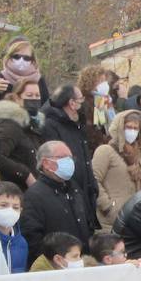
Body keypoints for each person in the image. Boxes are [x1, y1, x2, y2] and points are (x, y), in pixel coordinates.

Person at [21, 140, 94, 260]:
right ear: (46, 163)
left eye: (70, 158)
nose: (69, 162)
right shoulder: (34, 196)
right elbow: (32, 238)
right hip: (54, 267)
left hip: (79, 262)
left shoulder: (74, 190)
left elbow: (88, 225)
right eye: (63, 157)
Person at [39, 83, 98, 219]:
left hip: (85, 194)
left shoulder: (76, 124)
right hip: (70, 196)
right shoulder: (51, 126)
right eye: (81, 100)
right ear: (72, 103)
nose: (83, 103)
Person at [93, 109, 141, 228]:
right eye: (128, 127)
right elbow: (94, 180)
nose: (132, 131)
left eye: (136, 128)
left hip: (138, 218)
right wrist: (108, 206)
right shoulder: (106, 151)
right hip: (112, 220)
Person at [0, 94, 41, 188]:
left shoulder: (29, 127)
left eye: (37, 95)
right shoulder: (10, 125)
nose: (33, 101)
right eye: (29, 95)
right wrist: (25, 174)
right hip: (15, 189)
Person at [0, 181, 30, 273]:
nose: (10, 210)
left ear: (20, 211)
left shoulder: (22, 243)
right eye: (3, 205)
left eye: (15, 207)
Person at [0, 38, 48, 103]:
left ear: (32, 59)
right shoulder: (1, 78)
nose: (21, 60)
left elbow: (45, 103)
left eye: (26, 58)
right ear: (9, 56)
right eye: (17, 56)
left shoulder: (38, 79)